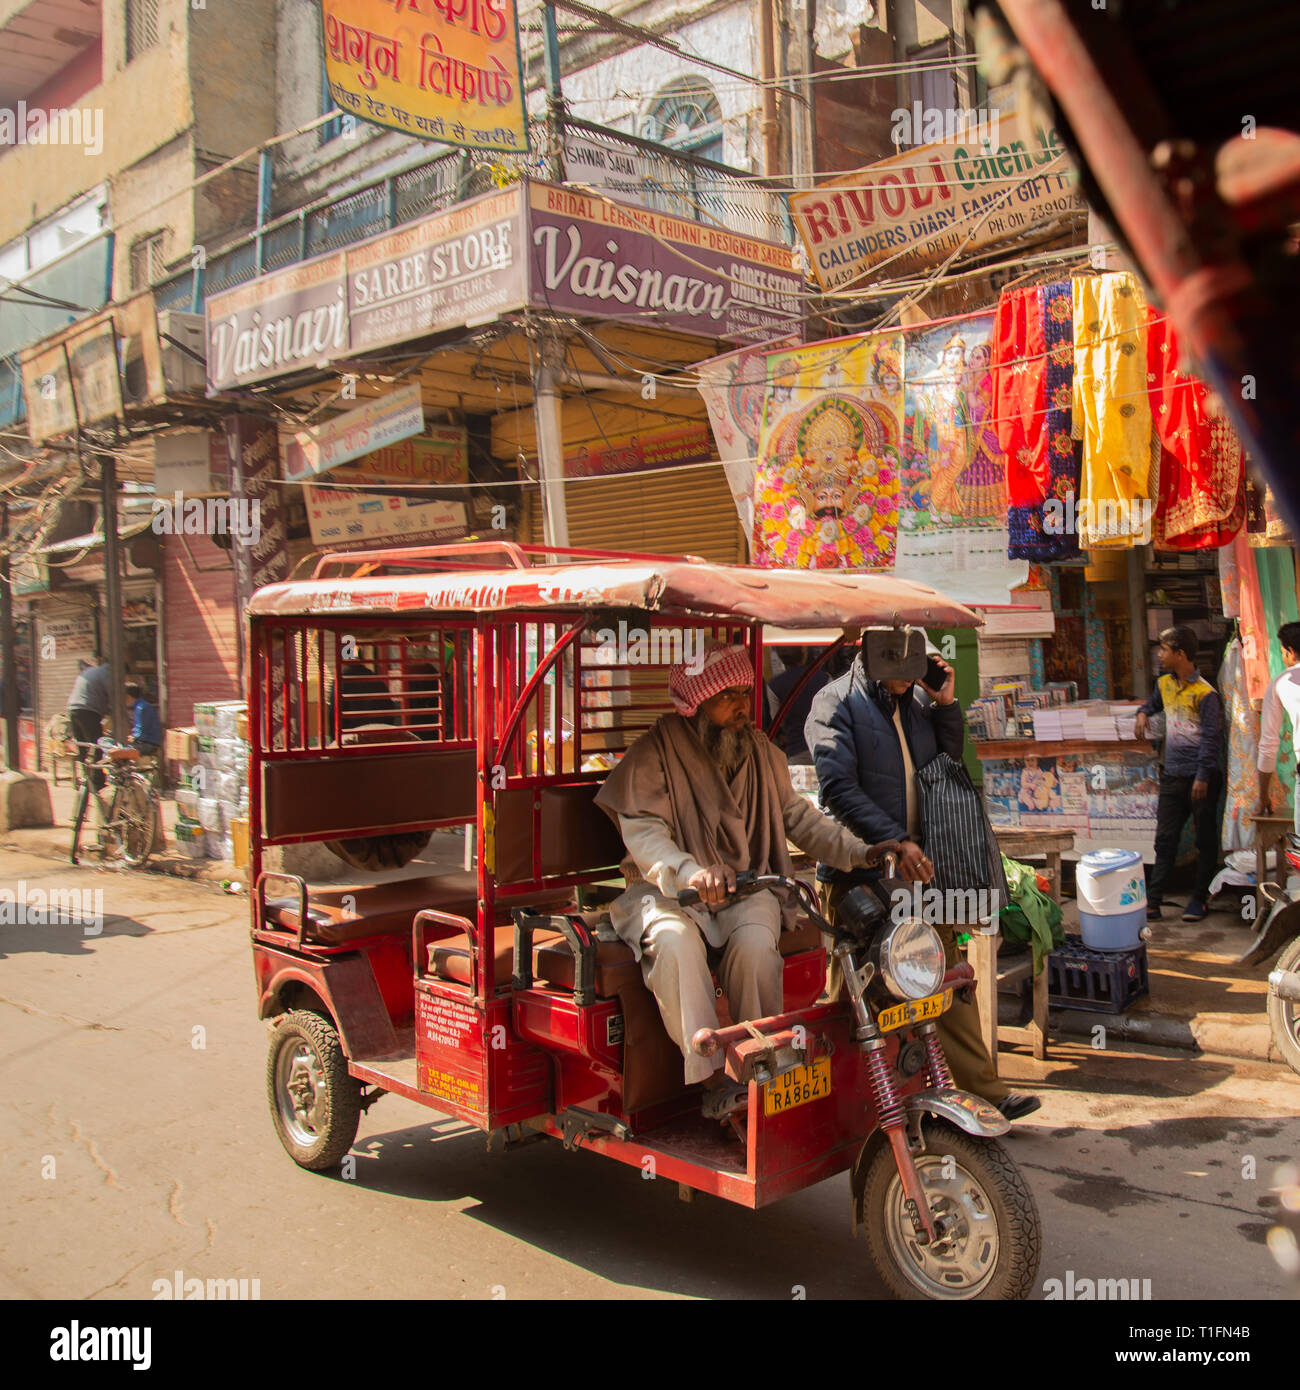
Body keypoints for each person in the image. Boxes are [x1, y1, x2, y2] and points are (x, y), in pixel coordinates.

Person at [595, 644, 894, 1105]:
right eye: (726, 697)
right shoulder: (654, 755)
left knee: (758, 939)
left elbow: (798, 818)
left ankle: (759, 1065)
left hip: (744, 886)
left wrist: (861, 850)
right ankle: (713, 1077)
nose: (741, 707)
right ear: (695, 704)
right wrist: (691, 873)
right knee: (675, 941)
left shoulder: (757, 750)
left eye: (743, 693)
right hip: (665, 891)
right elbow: (647, 838)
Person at [805, 640, 1041, 1120]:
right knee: (853, 989)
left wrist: (947, 704)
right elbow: (837, 787)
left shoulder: (914, 701)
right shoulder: (834, 702)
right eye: (898, 670)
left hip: (921, 869)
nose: (906, 679)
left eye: (915, 670)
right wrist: (892, 841)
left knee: (944, 974)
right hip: (861, 871)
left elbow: (944, 766)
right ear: (871, 658)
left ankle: (985, 1093)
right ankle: (838, 1103)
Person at [1135, 624, 1224, 922]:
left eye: (1164, 650)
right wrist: (1143, 713)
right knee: (1165, 839)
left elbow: (1212, 739)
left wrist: (1202, 775)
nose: (1159, 655)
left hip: (1201, 778)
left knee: (1205, 840)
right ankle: (1154, 900)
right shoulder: (1163, 685)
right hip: (1172, 775)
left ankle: (1199, 899)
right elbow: (1153, 704)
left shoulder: (1206, 693)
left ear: (1180, 654)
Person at [1256, 622, 1300, 831]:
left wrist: (1263, 796)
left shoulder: (1280, 683)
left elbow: (1268, 745)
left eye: (1283, 652)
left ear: (1291, 652)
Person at [67, 657, 112, 789]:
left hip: (73, 709)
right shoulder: (106, 673)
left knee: (82, 748)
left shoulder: (92, 672)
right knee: (98, 745)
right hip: (88, 710)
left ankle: (85, 777)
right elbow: (113, 694)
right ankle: (97, 781)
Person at [125, 682, 161, 756]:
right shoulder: (140, 706)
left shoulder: (142, 708)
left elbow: (142, 733)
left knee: (120, 752)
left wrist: (134, 738)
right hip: (144, 742)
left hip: (148, 744)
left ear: (128, 696)